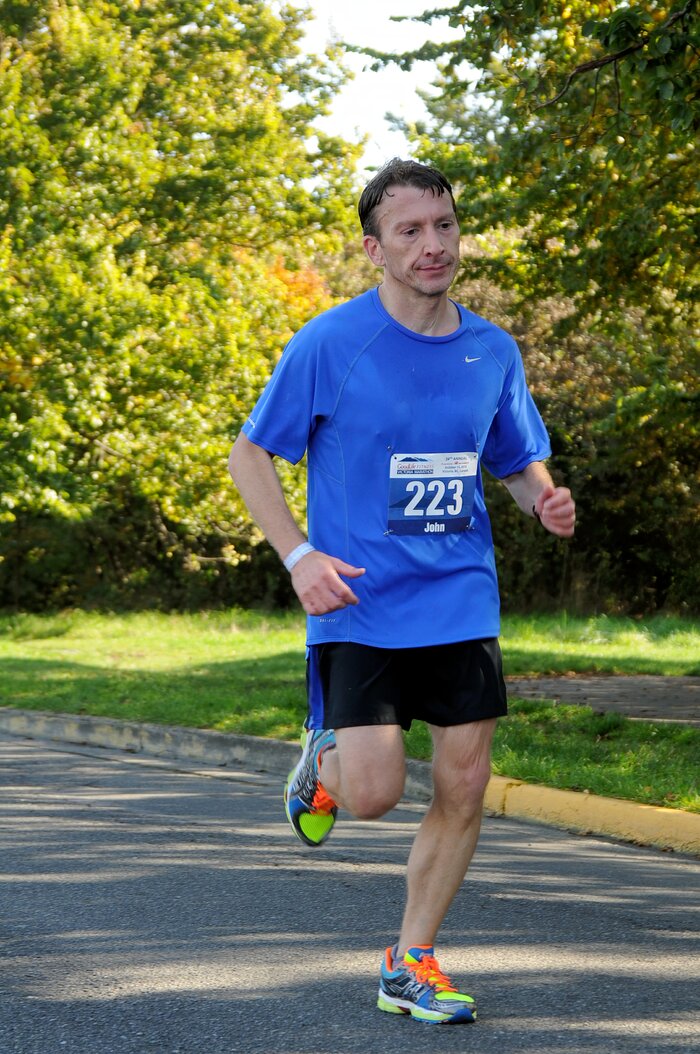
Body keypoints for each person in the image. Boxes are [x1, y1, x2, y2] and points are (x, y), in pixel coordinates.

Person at [228, 158, 576, 1025]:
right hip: (359, 601)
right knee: (376, 796)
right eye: (412, 231)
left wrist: (543, 497)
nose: (434, 245)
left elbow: (509, 455)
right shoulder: (330, 344)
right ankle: (324, 762)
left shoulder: (491, 350)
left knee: (464, 782)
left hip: (460, 595)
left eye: (445, 226)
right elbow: (250, 455)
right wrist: (297, 554)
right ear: (374, 247)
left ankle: (410, 960)